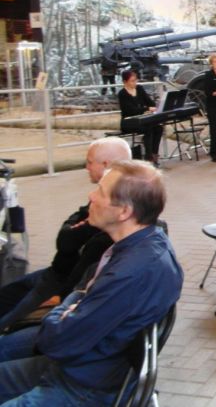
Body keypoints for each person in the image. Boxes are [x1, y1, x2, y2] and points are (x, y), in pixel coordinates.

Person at [0, 160, 183, 405]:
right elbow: (80, 289)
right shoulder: (145, 241)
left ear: (124, 211)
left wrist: (66, 309)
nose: (91, 195)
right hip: (81, 367)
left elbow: (56, 342)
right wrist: (73, 304)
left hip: (83, 386)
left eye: (100, 191)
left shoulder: (130, 273)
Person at [0, 138, 131, 332]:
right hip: (54, 273)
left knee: (8, 324)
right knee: (6, 296)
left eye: (89, 162)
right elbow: (70, 229)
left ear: (106, 165)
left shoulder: (112, 213)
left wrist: (59, 299)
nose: (86, 167)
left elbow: (66, 241)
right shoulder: (108, 202)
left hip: (60, 284)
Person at [117, 69, 162, 164]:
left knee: (158, 128)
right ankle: (148, 156)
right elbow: (129, 110)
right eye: (132, 81)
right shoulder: (122, 94)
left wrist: (152, 106)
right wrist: (146, 109)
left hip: (141, 119)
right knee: (148, 128)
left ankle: (154, 154)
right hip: (128, 121)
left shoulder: (140, 89)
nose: (135, 83)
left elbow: (150, 102)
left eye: (135, 80)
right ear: (125, 82)